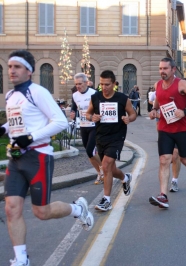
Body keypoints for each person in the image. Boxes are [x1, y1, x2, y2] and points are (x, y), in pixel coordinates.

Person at [3, 50, 94, 266]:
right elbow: (20, 122)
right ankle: (21, 259)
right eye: (9, 66)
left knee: (41, 212)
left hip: (38, 157)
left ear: (29, 70)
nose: (12, 70)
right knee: (11, 208)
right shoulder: (11, 96)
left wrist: (32, 137)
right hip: (15, 158)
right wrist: (4, 128)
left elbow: (60, 122)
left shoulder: (38, 92)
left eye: (17, 66)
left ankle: (78, 209)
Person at [148, 58, 186, 209]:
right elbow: (158, 100)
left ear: (173, 70)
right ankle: (163, 196)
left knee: (185, 160)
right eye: (160, 69)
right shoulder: (158, 85)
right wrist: (154, 110)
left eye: (165, 68)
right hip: (164, 128)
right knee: (164, 160)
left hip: (181, 129)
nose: (162, 72)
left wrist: (185, 111)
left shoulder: (181, 84)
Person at [85, 70, 137, 211]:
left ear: (114, 84)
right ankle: (125, 178)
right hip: (101, 136)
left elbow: (133, 114)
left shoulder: (122, 98)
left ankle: (106, 200)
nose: (104, 87)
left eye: (107, 84)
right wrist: (92, 118)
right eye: (101, 84)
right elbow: (88, 113)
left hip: (117, 136)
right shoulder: (95, 97)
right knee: (111, 169)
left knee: (106, 165)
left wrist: (129, 119)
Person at [70, 73, 104, 184]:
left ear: (86, 82)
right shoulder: (75, 95)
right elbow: (74, 106)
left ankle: (103, 168)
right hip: (83, 126)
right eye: (76, 84)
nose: (78, 86)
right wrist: (73, 112)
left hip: (94, 126)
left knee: (90, 150)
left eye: (80, 84)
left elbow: (101, 107)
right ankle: (99, 173)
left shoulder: (94, 93)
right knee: (89, 153)